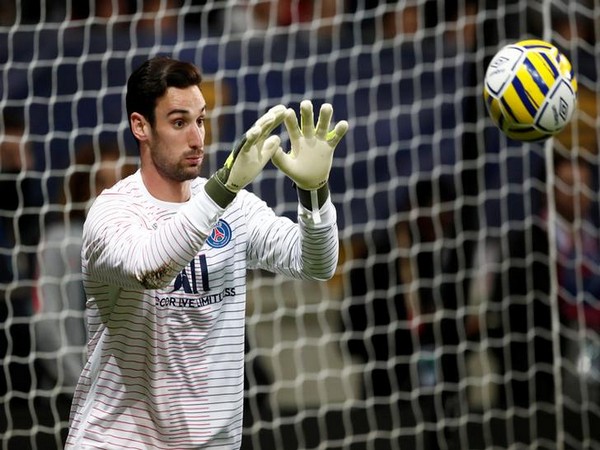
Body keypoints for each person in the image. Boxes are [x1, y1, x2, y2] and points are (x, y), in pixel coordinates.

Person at [64, 55, 348, 449]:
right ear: (140, 126)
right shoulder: (112, 213)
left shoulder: (235, 208)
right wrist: (224, 188)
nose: (197, 138)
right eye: (179, 123)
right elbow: (152, 269)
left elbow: (315, 263)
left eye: (200, 120)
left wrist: (315, 192)